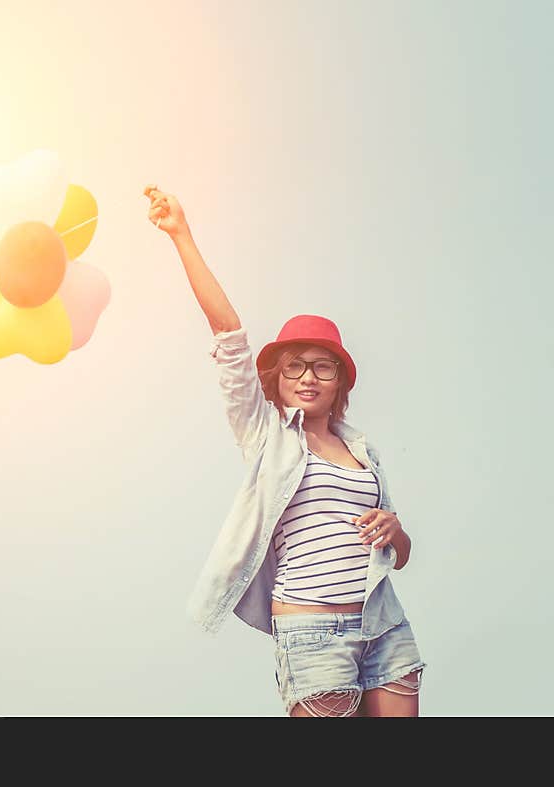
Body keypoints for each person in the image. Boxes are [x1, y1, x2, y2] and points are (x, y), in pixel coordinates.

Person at [143, 184, 427, 717]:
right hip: (312, 630)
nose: (308, 376)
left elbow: (399, 556)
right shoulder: (265, 435)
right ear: (276, 377)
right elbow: (227, 333)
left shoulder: (363, 449)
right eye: (294, 364)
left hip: (383, 621)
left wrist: (396, 530)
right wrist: (182, 235)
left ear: (340, 381)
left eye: (324, 366)